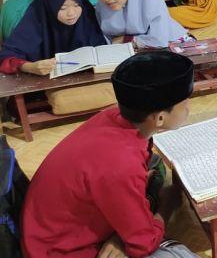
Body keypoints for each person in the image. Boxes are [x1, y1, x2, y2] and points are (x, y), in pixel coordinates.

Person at [21, 51, 199, 257]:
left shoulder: (112, 115)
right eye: (185, 103)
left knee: (155, 165)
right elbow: (144, 245)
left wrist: (120, 235)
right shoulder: (121, 164)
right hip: (58, 250)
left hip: (45, 228)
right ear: (159, 118)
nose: (189, 108)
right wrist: (167, 203)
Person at [0, 0, 106, 75]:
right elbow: (6, 58)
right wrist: (29, 67)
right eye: (62, 8)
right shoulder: (35, 22)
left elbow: (101, 51)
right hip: (43, 84)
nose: (71, 13)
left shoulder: (87, 19)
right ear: (49, 6)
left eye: (77, 5)